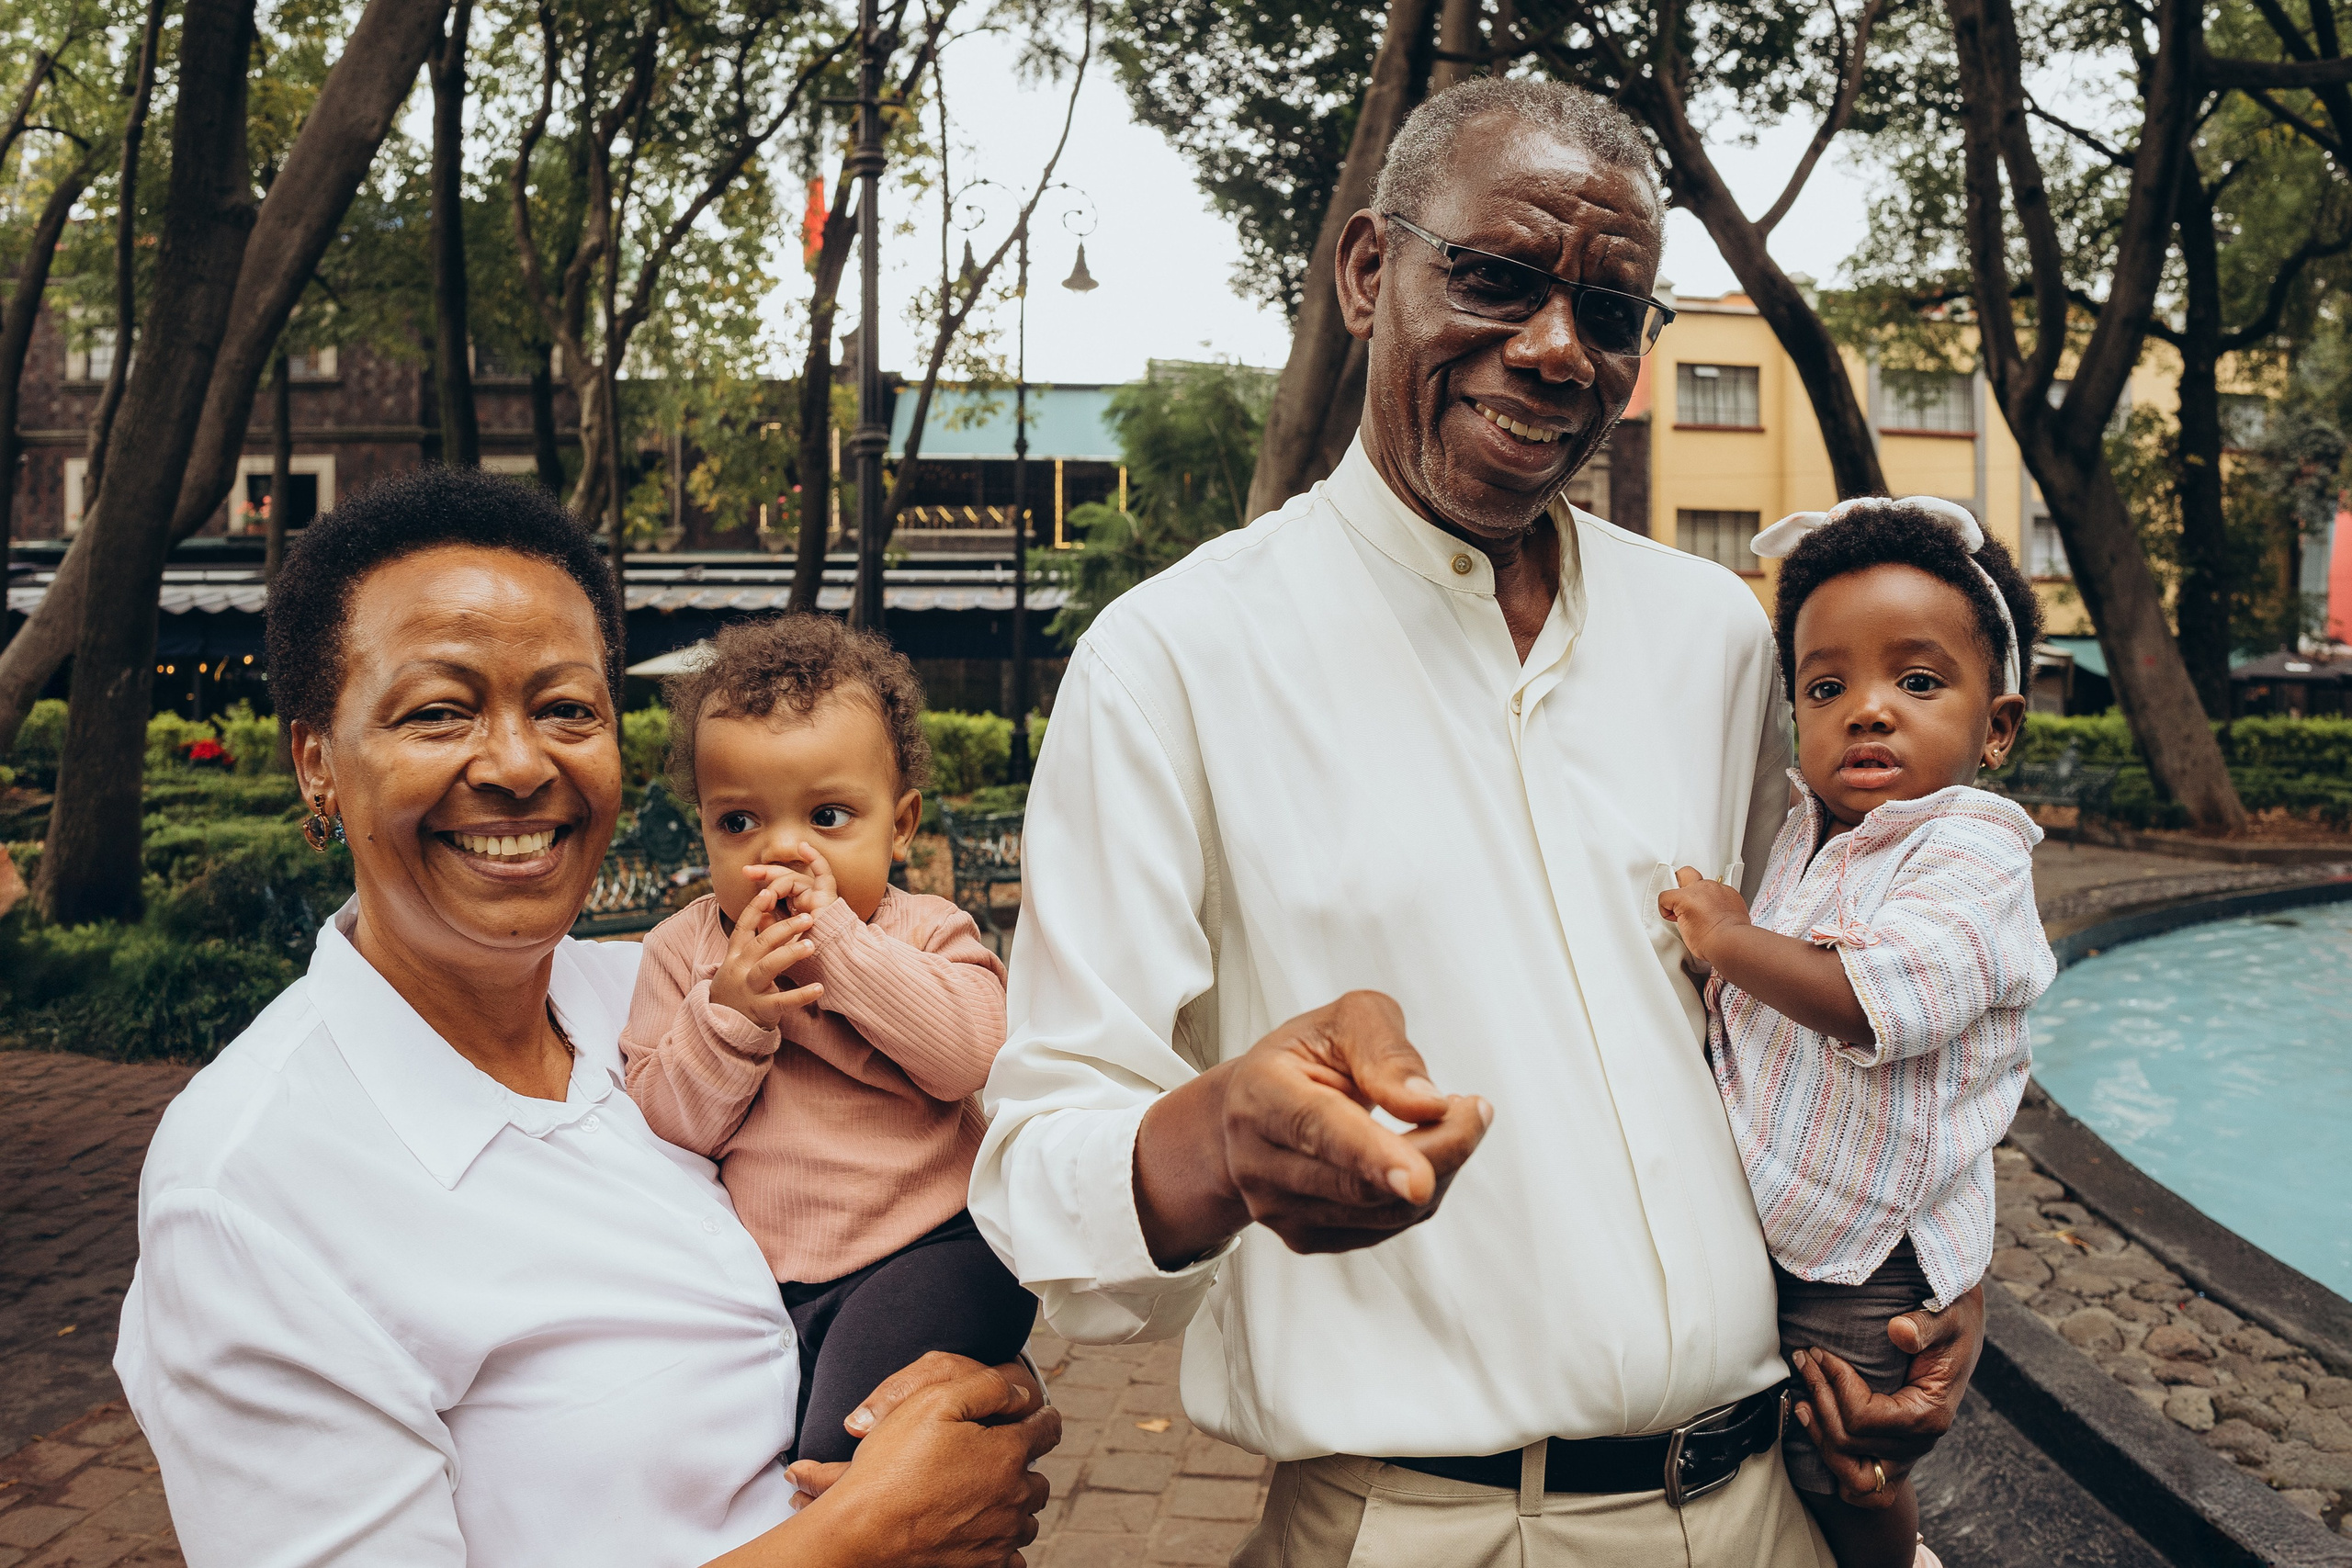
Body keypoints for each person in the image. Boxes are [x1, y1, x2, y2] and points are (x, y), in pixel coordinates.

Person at [969, 77, 1984, 1566]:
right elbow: (1041, 1160)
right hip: (1423, 1526)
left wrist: (1942, 1272)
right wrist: (1221, 1141)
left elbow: (1838, 993)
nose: (1558, 346)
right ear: (1369, 270)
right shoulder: (1174, 658)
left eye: (1614, 310)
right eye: (1498, 279)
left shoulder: (1711, 637)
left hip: (1764, 1504)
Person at [115, 468, 1057, 1568]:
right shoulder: (248, 1197)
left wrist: (965, 1392)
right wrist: (864, 1533)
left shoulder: (636, 993)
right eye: (438, 712)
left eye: (566, 708)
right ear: (318, 763)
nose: (519, 765)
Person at [1659, 497, 2057, 1567]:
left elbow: (1878, 995)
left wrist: (1727, 939)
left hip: (1868, 1255)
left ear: (1997, 725)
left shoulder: (1973, 850)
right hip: (1788, 1217)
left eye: (1917, 683)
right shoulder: (1808, 832)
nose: (1868, 711)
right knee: (1771, 1444)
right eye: (1827, 688)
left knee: (1838, 1456)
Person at [622, 614, 1036, 1466]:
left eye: (828, 814)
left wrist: (840, 946)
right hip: (769, 1288)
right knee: (735, 1457)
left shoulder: (924, 929)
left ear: (901, 823)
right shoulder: (686, 954)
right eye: (739, 822)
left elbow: (972, 1055)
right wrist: (730, 1016)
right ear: (702, 824)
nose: (782, 849)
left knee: (836, 1453)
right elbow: (668, 1128)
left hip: (937, 1246)